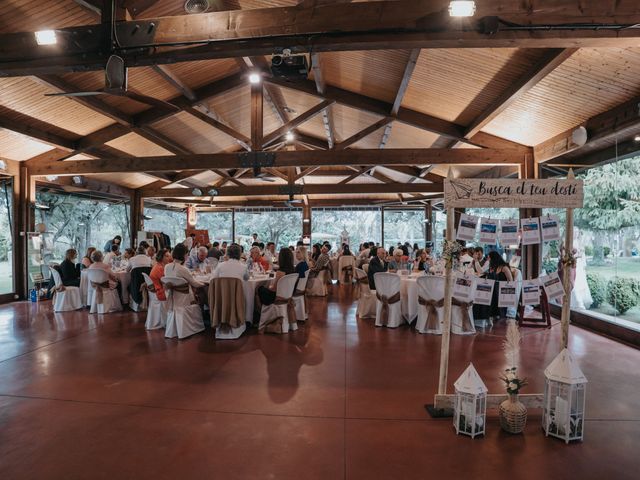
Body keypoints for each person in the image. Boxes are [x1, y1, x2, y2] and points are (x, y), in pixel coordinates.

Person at [487, 251, 514, 320]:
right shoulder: (492, 267)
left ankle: (499, 314)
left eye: (489, 258)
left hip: (502, 289)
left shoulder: (504, 268)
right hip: (494, 288)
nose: (488, 260)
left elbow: (511, 280)